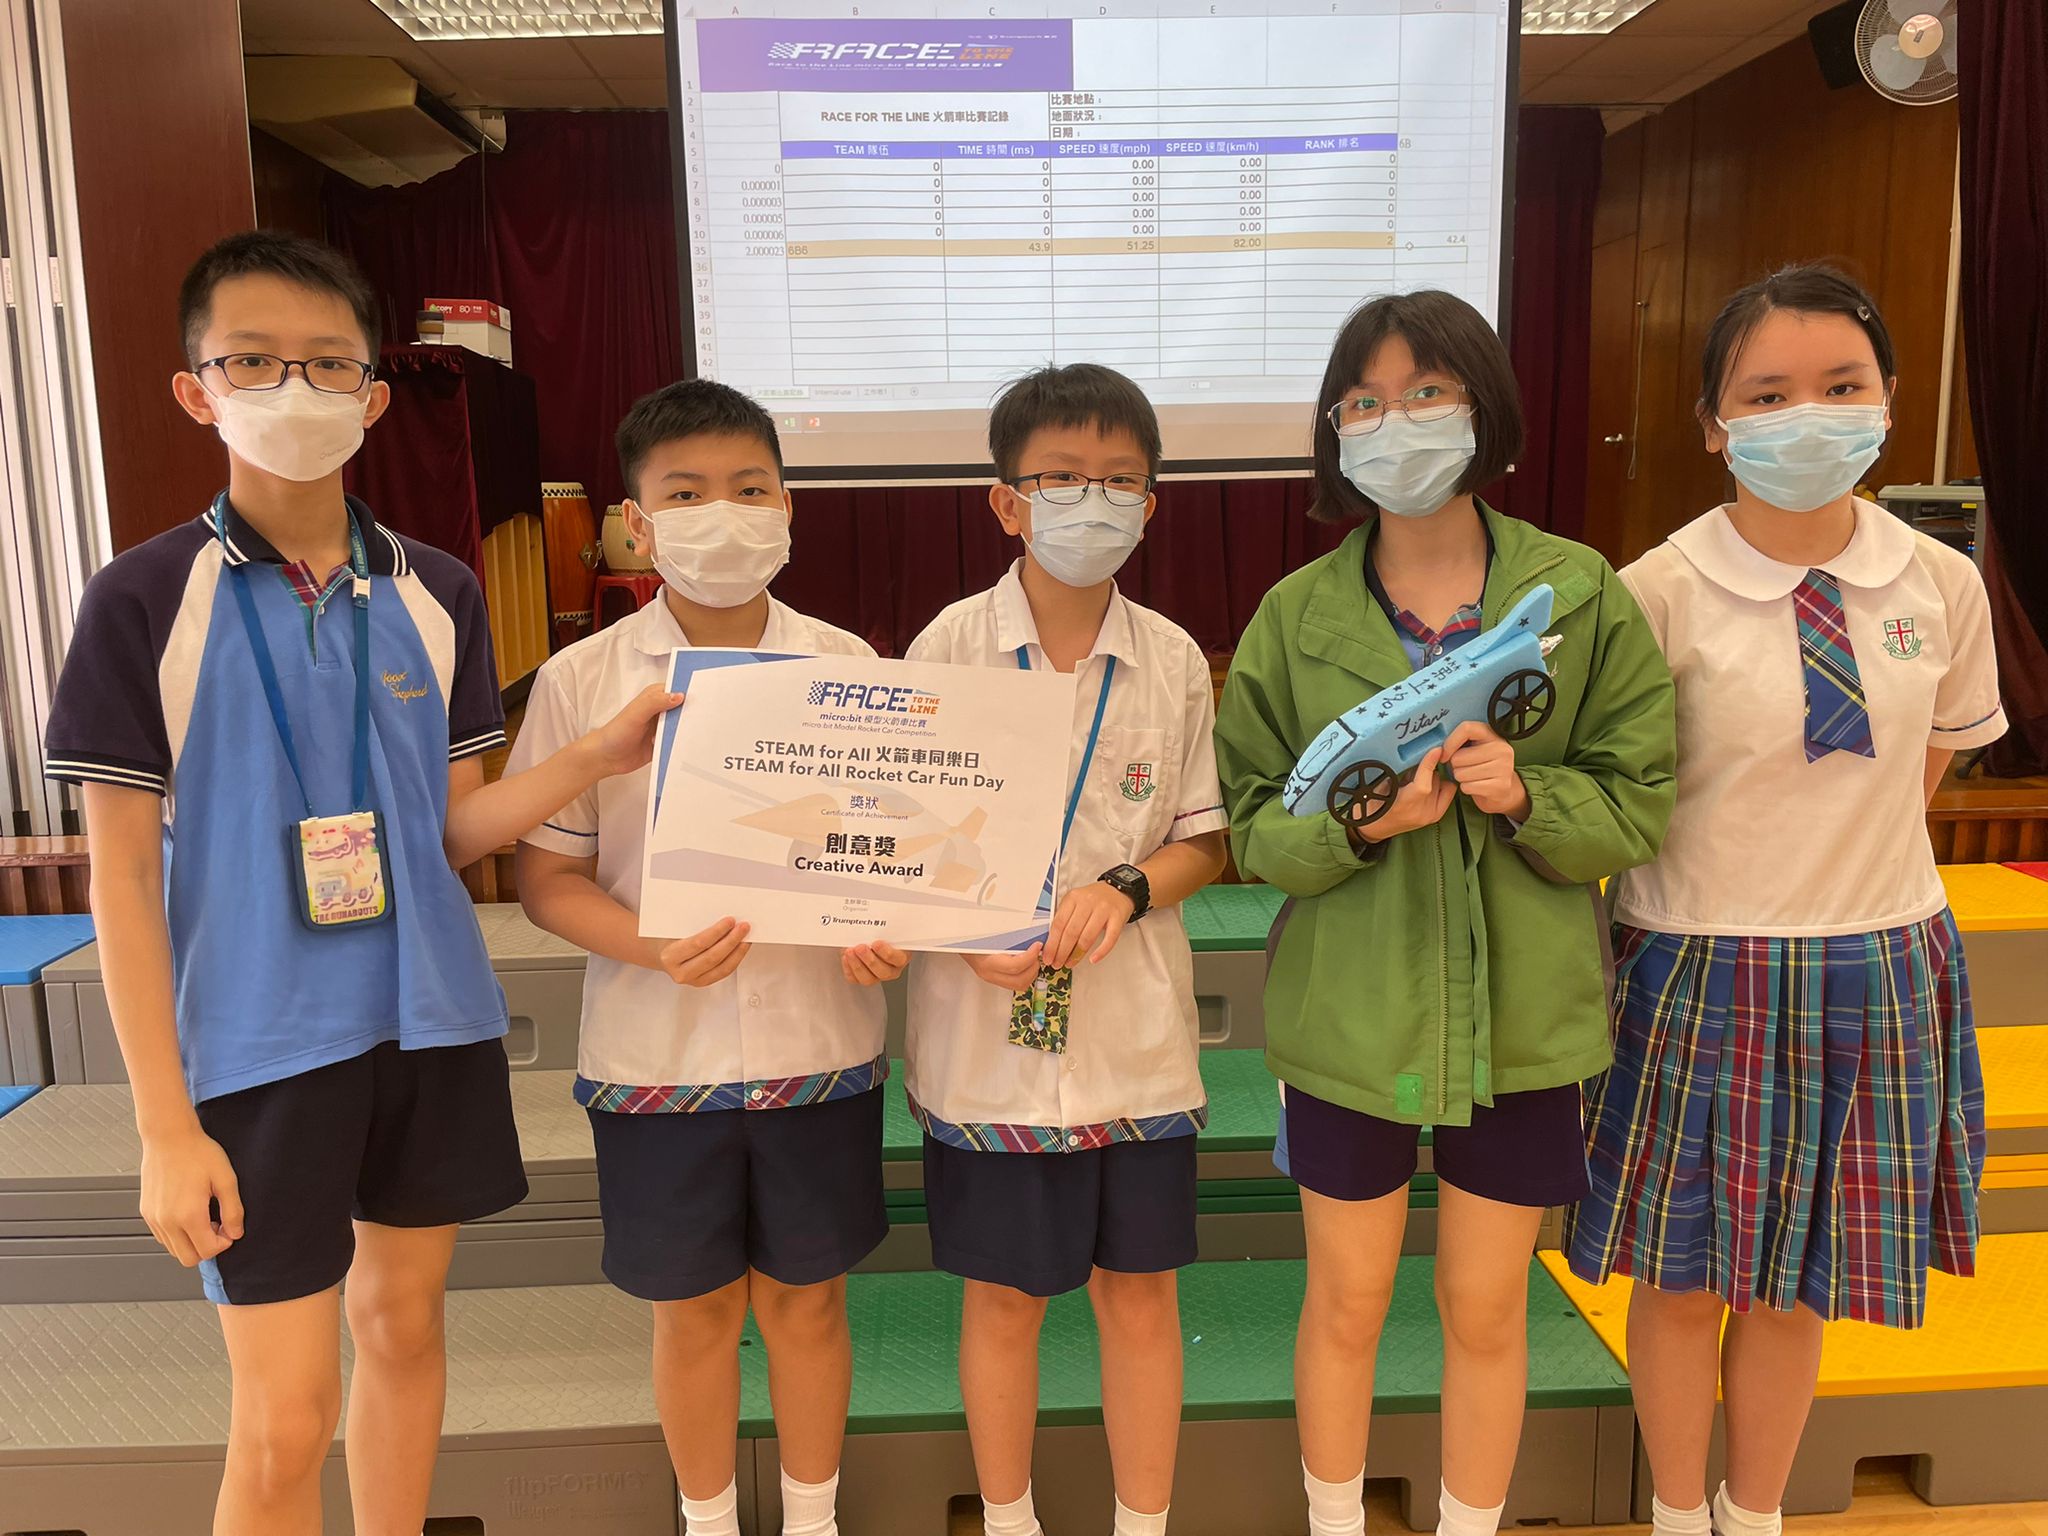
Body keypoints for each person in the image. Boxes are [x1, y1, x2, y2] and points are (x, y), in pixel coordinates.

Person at [42, 231, 674, 1536]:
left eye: (327, 364)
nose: (294, 387)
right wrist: (164, 1127)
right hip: (260, 1052)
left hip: (430, 1026)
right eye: (254, 361)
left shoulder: (435, 591)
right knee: (280, 1418)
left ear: (376, 395)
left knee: (401, 1334)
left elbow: (450, 831)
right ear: (194, 388)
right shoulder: (143, 599)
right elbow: (116, 884)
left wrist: (594, 759)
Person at [1213, 290, 1676, 1536]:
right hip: (1347, 1022)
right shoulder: (1292, 616)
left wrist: (1528, 792)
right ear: (1331, 433)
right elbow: (1252, 824)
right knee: (1346, 1302)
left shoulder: (1574, 593)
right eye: (1361, 401)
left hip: (1524, 1021)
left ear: (1484, 409)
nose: (1393, 422)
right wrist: (1363, 826)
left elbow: (1639, 797)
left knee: (1485, 1309)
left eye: (1425, 393)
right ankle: (1331, 1519)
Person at [1563, 264, 2004, 1536]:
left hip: (1876, 960)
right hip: (1694, 960)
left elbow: (1926, 769)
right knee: (1682, 1274)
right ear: (1712, 422)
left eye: (1838, 385)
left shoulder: (1939, 583)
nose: (1806, 413)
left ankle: (1752, 1514)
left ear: (1884, 401)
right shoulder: (1651, 590)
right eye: (1766, 393)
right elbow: (1618, 791)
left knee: (1794, 1280)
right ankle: (1670, 1506)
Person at [512, 379, 896, 1536]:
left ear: (789, 506)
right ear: (637, 520)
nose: (720, 514)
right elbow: (543, 876)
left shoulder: (850, 664)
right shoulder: (584, 680)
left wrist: (885, 930)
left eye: (747, 488)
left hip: (817, 1045)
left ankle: (815, 1519)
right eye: (684, 493)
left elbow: (891, 856)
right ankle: (708, 1520)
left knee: (809, 1304)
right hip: (654, 1057)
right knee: (688, 1311)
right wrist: (649, 947)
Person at [890, 363, 1229, 1536]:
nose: (1093, 501)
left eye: (1119, 481)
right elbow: (899, 845)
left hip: (1130, 1044)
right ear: (1004, 502)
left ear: (1152, 502)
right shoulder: (944, 648)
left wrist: (1127, 889)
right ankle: (1010, 1519)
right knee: (1002, 1304)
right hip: (987, 1042)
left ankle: (1144, 1522)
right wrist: (962, 927)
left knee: (1140, 1301)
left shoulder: (1176, 658)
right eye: (1062, 478)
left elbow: (1202, 841)